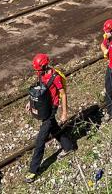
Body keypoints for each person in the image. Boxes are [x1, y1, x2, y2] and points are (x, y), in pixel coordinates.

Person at [25, 53, 75, 183]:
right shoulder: (40, 74)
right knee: (54, 128)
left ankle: (33, 170)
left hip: (51, 108)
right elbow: (39, 89)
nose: (37, 72)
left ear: (44, 65)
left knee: (40, 140)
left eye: (38, 69)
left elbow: (63, 95)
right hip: (44, 106)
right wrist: (31, 102)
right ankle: (68, 146)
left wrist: (64, 113)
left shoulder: (55, 77)